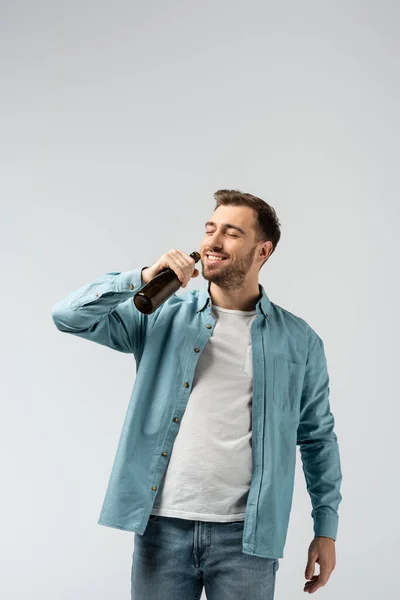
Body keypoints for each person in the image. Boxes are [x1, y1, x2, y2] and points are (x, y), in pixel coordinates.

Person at [51, 189, 342, 599]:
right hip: (161, 530)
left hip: (247, 538)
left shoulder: (298, 340)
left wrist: (325, 530)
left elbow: (317, 438)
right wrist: (141, 277)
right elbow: (67, 317)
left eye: (231, 232)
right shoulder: (160, 315)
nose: (213, 241)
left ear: (263, 250)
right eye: (210, 229)